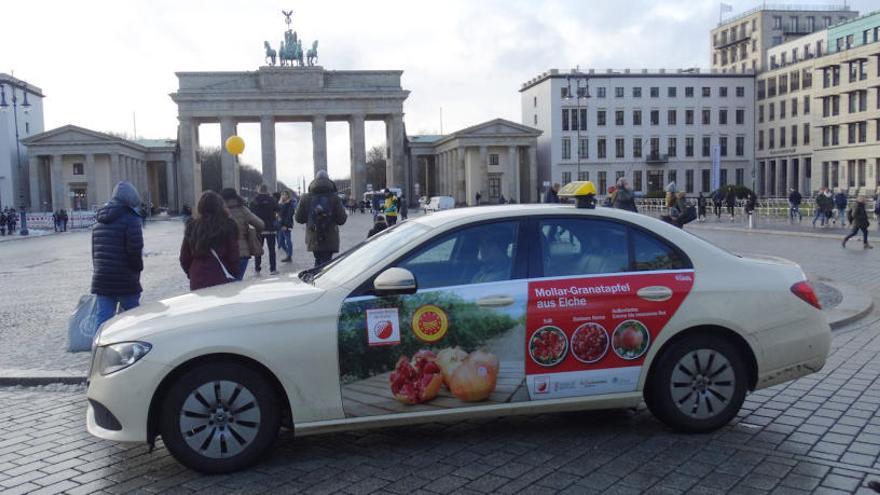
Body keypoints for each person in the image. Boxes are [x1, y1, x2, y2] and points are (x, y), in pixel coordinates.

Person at [91, 181, 144, 330]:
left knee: (102, 320)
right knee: (136, 318)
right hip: (125, 279)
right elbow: (135, 251)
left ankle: (99, 350)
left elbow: (95, 255)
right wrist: (137, 271)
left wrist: (99, 271)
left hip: (102, 279)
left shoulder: (98, 222)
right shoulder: (132, 220)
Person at [179, 191, 240, 290]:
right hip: (221, 273)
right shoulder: (228, 225)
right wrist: (234, 272)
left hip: (197, 276)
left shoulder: (192, 226)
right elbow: (234, 254)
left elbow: (184, 257)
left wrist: (192, 273)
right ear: (219, 206)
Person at [295, 170, 348, 267]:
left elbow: (298, 218)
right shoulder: (335, 197)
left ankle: (317, 279)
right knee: (327, 263)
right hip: (330, 237)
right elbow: (342, 220)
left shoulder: (305, 197)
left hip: (313, 236)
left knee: (318, 260)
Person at [222, 188, 264, 280]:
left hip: (224, 253)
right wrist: (250, 232)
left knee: (225, 284)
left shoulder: (218, 211)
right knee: (237, 281)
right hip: (242, 252)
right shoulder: (243, 210)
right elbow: (260, 225)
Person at [249, 184, 280, 275]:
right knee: (271, 250)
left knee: (258, 249)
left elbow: (250, 213)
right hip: (270, 228)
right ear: (267, 190)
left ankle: (257, 269)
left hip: (258, 228)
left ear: (259, 190)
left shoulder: (254, 200)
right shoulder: (272, 200)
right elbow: (278, 209)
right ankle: (273, 269)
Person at [277, 190, 295, 263]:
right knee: (280, 242)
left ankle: (289, 255)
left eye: (285, 194)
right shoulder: (281, 203)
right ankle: (288, 254)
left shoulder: (290, 204)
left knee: (288, 240)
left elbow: (289, 215)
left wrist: (285, 225)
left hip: (286, 225)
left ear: (288, 196)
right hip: (280, 225)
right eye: (283, 194)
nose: (284, 196)